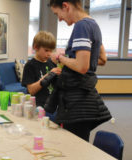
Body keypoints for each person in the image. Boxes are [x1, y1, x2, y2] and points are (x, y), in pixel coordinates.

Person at [48, 0, 111, 141]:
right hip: (85, 98)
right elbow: (102, 59)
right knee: (80, 142)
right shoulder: (93, 24)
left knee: (74, 145)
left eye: (57, 14)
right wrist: (74, 60)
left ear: (65, 6)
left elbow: (82, 67)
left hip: (77, 101)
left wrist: (60, 58)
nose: (59, 19)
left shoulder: (81, 26)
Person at [21, 31, 62, 121]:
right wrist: (48, 75)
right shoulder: (30, 65)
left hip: (52, 106)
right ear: (36, 47)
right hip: (38, 108)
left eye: (51, 51)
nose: (49, 54)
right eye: (46, 50)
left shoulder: (51, 64)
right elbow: (31, 90)